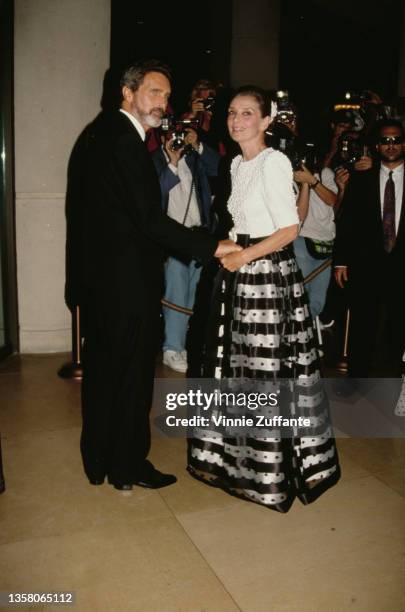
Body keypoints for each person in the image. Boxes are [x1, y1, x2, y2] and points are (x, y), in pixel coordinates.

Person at [65, 59, 239, 491]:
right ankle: (127, 466)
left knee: (105, 373)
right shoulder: (124, 140)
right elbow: (149, 219)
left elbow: (81, 215)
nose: (164, 103)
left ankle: (98, 458)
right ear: (128, 93)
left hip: (101, 282)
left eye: (166, 94)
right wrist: (211, 245)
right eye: (154, 92)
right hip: (127, 283)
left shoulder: (95, 133)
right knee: (132, 378)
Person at [187, 86, 341, 512]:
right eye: (233, 113)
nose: (237, 121)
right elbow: (241, 226)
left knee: (267, 372)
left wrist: (243, 257)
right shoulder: (237, 162)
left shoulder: (276, 162)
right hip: (240, 269)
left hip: (269, 276)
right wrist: (221, 248)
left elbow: (289, 229)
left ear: (267, 120)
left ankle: (272, 475)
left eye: (248, 113)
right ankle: (242, 464)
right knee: (237, 369)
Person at [334, 119, 405, 378]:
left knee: (399, 326)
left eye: (396, 140)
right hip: (367, 263)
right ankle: (357, 382)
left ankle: (398, 382)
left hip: (402, 264)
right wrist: (340, 261)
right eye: (385, 141)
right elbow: (348, 221)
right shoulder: (361, 179)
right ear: (377, 145)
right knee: (363, 325)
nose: (391, 145)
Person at [152, 126, 220, 372]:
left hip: (198, 235)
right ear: (162, 137)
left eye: (180, 135)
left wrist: (198, 144)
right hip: (172, 239)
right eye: (171, 135)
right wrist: (171, 161)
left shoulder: (194, 159)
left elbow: (219, 169)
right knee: (176, 295)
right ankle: (171, 348)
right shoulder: (154, 161)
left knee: (193, 294)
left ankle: (183, 345)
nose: (176, 140)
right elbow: (155, 192)